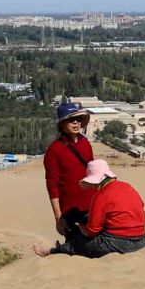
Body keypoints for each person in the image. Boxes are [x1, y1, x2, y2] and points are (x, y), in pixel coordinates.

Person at [36, 160, 145, 258]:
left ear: (95, 182)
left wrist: (80, 227)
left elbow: (92, 231)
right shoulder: (127, 186)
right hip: (141, 240)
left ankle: (54, 250)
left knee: (79, 244)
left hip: (117, 243)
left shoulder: (101, 195)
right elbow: (140, 206)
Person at [43, 100, 95, 236]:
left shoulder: (85, 143)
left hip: (92, 207)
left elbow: (93, 173)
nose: (76, 123)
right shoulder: (54, 150)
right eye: (71, 120)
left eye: (78, 119)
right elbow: (52, 185)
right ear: (62, 124)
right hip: (70, 212)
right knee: (76, 249)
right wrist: (58, 218)